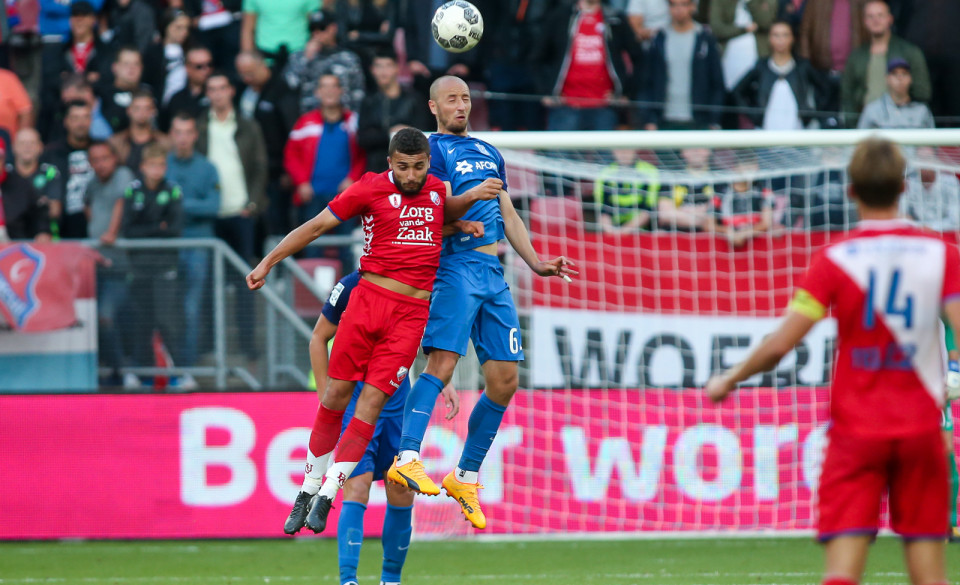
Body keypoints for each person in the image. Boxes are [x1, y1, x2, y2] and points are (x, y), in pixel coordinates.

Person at [706, 137, 960, 585]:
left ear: (851, 190)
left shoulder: (833, 259)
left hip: (856, 433)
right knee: (930, 578)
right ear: (904, 188)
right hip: (920, 429)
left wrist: (729, 379)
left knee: (841, 574)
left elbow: (780, 346)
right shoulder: (943, 254)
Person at [249, 128, 498, 535]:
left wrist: (462, 220)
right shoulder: (369, 188)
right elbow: (316, 226)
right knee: (336, 395)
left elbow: (437, 216)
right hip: (367, 303)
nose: (412, 175)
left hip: (410, 316)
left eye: (419, 167)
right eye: (403, 167)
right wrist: (267, 262)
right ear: (389, 163)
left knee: (371, 403)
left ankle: (328, 492)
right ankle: (307, 488)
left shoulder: (436, 191)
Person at [386, 76, 576, 530]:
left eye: (466, 98)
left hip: (493, 272)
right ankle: (407, 456)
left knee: (505, 380)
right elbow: (431, 212)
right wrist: (468, 201)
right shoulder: (432, 152)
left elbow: (507, 211)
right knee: (442, 365)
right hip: (454, 267)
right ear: (433, 106)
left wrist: (535, 262)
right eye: (451, 99)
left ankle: (465, 476)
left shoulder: (490, 152)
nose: (461, 105)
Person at [285, 269, 459, 585]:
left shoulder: (414, 284)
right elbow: (318, 337)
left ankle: (390, 579)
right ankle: (348, 579)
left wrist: (440, 381)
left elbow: (419, 337)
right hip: (356, 403)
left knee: (401, 489)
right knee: (357, 485)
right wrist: (327, 400)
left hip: (398, 402)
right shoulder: (351, 285)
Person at [197, 71, 267, 362]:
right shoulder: (200, 126)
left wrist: (253, 203)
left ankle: (248, 347)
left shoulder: (247, 125)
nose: (217, 93)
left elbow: (260, 166)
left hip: (241, 213)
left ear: (230, 91)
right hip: (209, 216)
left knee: (244, 284)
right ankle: (208, 346)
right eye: (212, 88)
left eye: (222, 87)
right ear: (207, 94)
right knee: (207, 285)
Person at [284, 74, 365, 268]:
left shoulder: (353, 121)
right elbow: (290, 155)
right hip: (312, 196)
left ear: (341, 91)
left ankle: (346, 287)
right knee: (312, 248)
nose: (329, 91)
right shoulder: (305, 122)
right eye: (324, 86)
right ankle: (313, 289)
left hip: (345, 197)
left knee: (347, 250)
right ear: (317, 92)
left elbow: (362, 155)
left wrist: (353, 178)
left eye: (333, 86)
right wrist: (301, 182)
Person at [166, 112, 220, 381]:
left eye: (188, 132)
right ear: (171, 135)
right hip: (167, 248)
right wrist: (189, 207)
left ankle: (188, 367)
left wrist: (177, 205)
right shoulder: (163, 165)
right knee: (168, 309)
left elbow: (214, 207)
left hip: (198, 245)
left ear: (195, 136)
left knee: (191, 308)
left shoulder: (208, 168)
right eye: (178, 132)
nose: (183, 138)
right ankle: (169, 365)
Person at [121, 142, 183, 375]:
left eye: (161, 165)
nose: (157, 170)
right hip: (140, 266)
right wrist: (158, 227)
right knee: (142, 322)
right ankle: (141, 373)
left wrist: (147, 228)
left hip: (165, 266)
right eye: (152, 165)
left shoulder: (173, 190)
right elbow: (128, 230)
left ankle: (177, 373)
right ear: (143, 167)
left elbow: (175, 229)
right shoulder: (132, 191)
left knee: (167, 320)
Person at [534, 0, 641, 132]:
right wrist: (546, 91)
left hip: (604, 107)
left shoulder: (614, 19)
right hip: (565, 106)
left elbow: (639, 57)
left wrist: (626, 92)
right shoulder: (561, 16)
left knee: (603, 145)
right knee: (561, 146)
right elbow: (536, 58)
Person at [84, 139, 136, 387]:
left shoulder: (123, 175)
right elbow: (87, 205)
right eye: (95, 160)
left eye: (105, 158)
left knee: (107, 317)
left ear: (114, 158)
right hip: (96, 266)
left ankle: (123, 371)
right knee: (94, 320)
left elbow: (121, 202)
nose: (100, 164)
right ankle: (112, 371)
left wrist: (110, 233)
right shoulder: (92, 183)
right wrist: (95, 234)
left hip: (120, 266)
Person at [235, 50, 300, 235]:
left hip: (276, 171)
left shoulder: (282, 91)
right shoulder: (244, 91)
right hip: (252, 167)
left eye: (250, 73)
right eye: (242, 74)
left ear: (263, 66)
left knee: (278, 219)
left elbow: (292, 132)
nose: (246, 78)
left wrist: (288, 170)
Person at [841, 0, 929, 127]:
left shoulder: (910, 52)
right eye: (870, 16)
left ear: (890, 19)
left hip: (903, 123)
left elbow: (923, 91)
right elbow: (847, 95)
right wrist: (852, 125)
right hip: (868, 123)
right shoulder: (856, 56)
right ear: (865, 21)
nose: (876, 20)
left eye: (880, 15)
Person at [640, 0, 726, 130]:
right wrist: (649, 119)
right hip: (663, 121)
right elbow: (647, 82)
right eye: (673, 5)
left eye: (684, 4)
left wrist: (714, 120)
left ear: (693, 7)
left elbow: (717, 83)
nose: (678, 9)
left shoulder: (705, 39)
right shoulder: (659, 39)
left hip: (699, 122)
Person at [732, 20, 831, 130]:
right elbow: (738, 91)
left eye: (785, 35)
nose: (780, 40)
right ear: (769, 38)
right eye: (776, 35)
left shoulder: (802, 67)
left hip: (799, 131)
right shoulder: (762, 67)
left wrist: (811, 114)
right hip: (766, 130)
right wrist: (754, 115)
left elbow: (825, 89)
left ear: (792, 38)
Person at [357, 49, 430, 174]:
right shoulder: (368, 101)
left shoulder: (414, 99)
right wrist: (391, 133)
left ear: (397, 68)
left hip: (407, 169)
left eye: (388, 66)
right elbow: (362, 139)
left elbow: (425, 134)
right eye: (378, 66)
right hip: (376, 169)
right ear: (372, 70)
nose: (383, 71)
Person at [282, 10, 365, 114]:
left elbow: (358, 92)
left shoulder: (348, 58)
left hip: (343, 117)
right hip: (309, 117)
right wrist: (306, 58)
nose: (317, 33)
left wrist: (354, 117)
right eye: (313, 29)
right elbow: (291, 84)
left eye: (322, 28)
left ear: (333, 28)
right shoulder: (298, 56)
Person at [42, 99, 94, 238]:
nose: (81, 123)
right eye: (75, 118)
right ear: (66, 121)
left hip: (96, 223)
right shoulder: (52, 153)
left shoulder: (102, 150)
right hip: (63, 226)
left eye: (85, 117)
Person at [1, 129, 55, 240]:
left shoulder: (21, 184)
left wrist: (42, 232)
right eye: (23, 143)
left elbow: (39, 216)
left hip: (15, 246)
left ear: (5, 158)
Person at [593, 146, 659, 234]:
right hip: (612, 230)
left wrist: (625, 231)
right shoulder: (605, 173)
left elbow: (649, 208)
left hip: (642, 230)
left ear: (635, 149)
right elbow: (603, 210)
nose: (623, 153)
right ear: (613, 150)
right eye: (619, 149)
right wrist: (611, 231)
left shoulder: (650, 171)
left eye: (627, 148)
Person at [857, 59, 934, 130]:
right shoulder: (872, 110)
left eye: (904, 73)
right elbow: (861, 139)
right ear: (887, 78)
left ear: (910, 78)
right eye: (894, 74)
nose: (900, 78)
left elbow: (932, 139)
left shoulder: (922, 111)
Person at [899, 147, 960, 232]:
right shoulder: (910, 183)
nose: (924, 163)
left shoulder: (950, 182)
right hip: (918, 233)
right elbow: (901, 216)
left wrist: (930, 227)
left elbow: (955, 220)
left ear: (936, 160)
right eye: (920, 159)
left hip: (945, 233)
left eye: (928, 158)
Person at [108, 90, 171, 169]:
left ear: (154, 111)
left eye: (147, 108)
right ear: (128, 110)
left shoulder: (165, 143)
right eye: (137, 108)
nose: (142, 112)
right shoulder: (115, 142)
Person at [657, 147, 717, 230]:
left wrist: (681, 211)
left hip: (710, 235)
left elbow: (718, 217)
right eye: (690, 146)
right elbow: (665, 215)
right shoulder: (671, 177)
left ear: (709, 150)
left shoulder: (721, 179)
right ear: (682, 152)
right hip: (673, 234)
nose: (696, 151)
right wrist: (701, 217)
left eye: (701, 146)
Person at [142, 8, 192, 107]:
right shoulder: (153, 52)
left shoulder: (190, 51)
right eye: (178, 27)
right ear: (166, 26)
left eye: (186, 28)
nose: (184, 32)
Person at [240, 0, 319, 61]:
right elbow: (248, 29)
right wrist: (248, 56)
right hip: (265, 58)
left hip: (300, 56)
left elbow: (317, 26)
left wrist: (314, 44)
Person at [98, 47, 153, 133]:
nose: (131, 68)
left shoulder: (149, 93)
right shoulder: (101, 93)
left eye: (136, 64)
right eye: (126, 64)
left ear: (142, 68)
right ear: (115, 67)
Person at [161, 46, 214, 132]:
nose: (206, 70)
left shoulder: (219, 95)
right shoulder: (176, 99)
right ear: (187, 68)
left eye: (209, 64)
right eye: (199, 66)